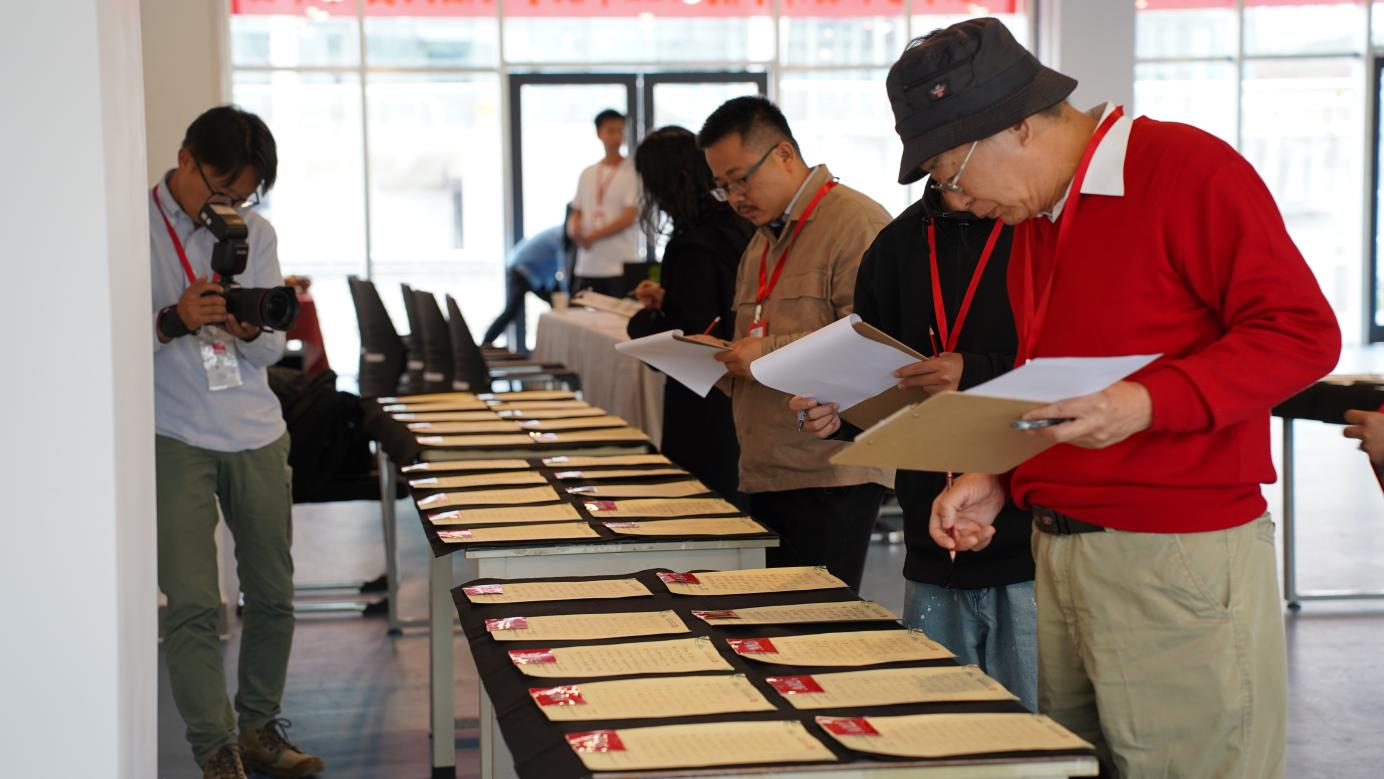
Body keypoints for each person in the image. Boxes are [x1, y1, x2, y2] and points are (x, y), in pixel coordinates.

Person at [905, 19, 1339, 778]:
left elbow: (1303, 333)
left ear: (1019, 125)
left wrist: (1148, 402)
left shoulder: (1186, 169)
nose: (960, 200)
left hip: (1173, 555)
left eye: (952, 173)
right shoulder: (1039, 221)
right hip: (1057, 552)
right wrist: (1003, 474)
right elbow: (1064, 386)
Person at [789, 182, 1037, 711]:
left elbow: (1080, 372)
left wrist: (976, 372)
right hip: (930, 541)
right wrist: (839, 414)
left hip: (1029, 543)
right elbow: (877, 380)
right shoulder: (897, 244)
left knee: (1041, 729)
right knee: (939, 729)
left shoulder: (1037, 230)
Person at [150, 105, 325, 779]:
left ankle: (258, 729)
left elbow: (274, 346)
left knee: (274, 594)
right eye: (220, 189)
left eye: (242, 197)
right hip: (175, 432)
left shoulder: (258, 233)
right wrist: (173, 319)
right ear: (186, 158)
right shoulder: (134, 228)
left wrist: (250, 329)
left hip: (256, 430)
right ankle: (215, 748)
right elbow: (102, 337)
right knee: (194, 601)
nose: (227, 207)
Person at [698, 95, 893, 591]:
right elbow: (758, 343)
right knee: (777, 625)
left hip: (831, 470)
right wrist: (717, 359)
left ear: (784, 154)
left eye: (741, 179)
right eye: (723, 187)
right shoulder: (761, 242)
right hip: (768, 467)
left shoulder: (855, 223)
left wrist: (763, 353)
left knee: (818, 625)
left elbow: (873, 341)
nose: (735, 197)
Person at [626, 126, 753, 507]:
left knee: (702, 512)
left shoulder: (690, 244)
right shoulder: (739, 226)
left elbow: (687, 339)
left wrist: (641, 324)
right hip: (741, 401)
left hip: (702, 408)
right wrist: (671, 297)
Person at [568, 108, 639, 297]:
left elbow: (629, 217)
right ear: (599, 133)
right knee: (579, 312)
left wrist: (593, 236)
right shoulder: (588, 173)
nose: (617, 136)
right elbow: (576, 211)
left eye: (620, 131)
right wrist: (575, 232)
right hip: (587, 264)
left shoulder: (632, 171)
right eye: (611, 131)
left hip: (619, 264)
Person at [481, 224, 569, 347]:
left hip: (533, 274)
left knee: (558, 305)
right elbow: (564, 267)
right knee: (510, 312)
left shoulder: (560, 233)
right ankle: (485, 345)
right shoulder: (561, 236)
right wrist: (567, 291)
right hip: (521, 271)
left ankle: (559, 343)